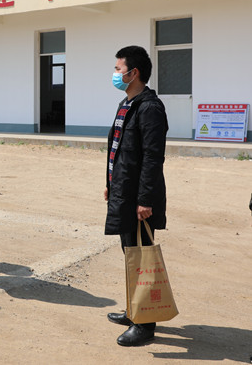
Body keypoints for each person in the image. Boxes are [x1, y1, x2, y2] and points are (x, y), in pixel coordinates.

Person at [104, 45, 168, 347]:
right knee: (130, 254)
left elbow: (153, 158)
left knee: (142, 257)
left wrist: (145, 200)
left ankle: (144, 325)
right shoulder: (127, 103)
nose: (115, 74)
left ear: (134, 73)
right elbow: (118, 151)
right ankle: (134, 310)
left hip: (138, 198)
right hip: (124, 191)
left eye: (118, 69)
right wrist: (110, 182)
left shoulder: (150, 108)